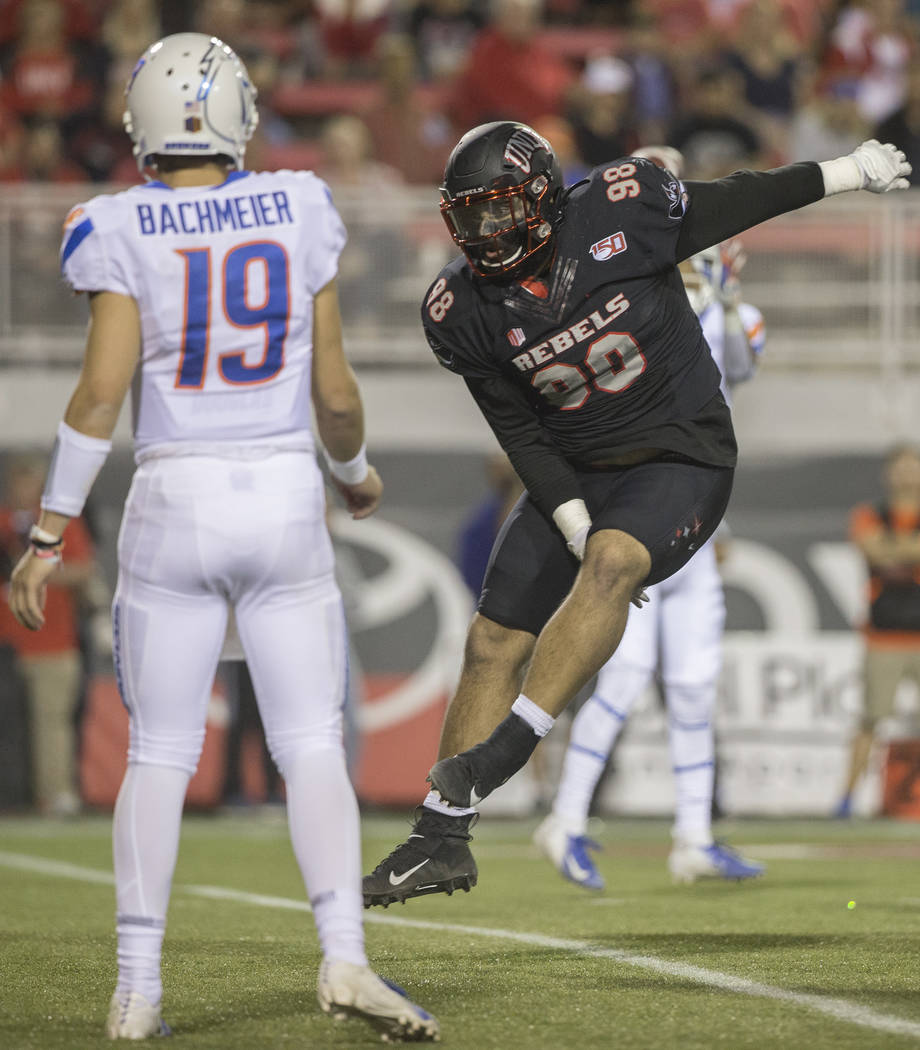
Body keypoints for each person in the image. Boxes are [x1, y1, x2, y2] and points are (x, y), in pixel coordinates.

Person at [6, 33, 438, 1043]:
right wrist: (353, 476)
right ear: (236, 113)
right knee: (311, 744)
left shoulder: (116, 221)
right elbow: (334, 393)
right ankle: (343, 956)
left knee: (159, 752)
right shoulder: (297, 204)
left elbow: (102, 391)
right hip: (284, 492)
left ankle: (138, 987)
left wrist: (47, 530)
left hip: (175, 499)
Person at [361, 119, 910, 908]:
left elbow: (741, 199)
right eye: (469, 215)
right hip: (578, 470)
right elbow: (518, 428)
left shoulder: (623, 211)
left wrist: (847, 171)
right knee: (490, 639)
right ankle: (438, 838)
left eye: (497, 210)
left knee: (614, 562)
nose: (482, 231)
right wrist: (571, 515)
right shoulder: (462, 310)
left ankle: (504, 754)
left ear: (544, 201)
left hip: (679, 456)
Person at [533, 146, 766, 887]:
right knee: (625, 674)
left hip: (696, 508)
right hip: (638, 502)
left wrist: (722, 298)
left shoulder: (723, 302)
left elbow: (743, 361)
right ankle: (565, 818)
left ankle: (693, 835)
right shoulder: (620, 292)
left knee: (695, 683)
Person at [0, 452, 95, 816]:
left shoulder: (58, 524)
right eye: (16, 483)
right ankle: (16, 795)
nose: (21, 490)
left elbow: (84, 570)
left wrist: (37, 571)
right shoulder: (6, 523)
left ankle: (55, 795)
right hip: (9, 643)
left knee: (51, 723)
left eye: (27, 482)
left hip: (52, 641)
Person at [836, 444, 920, 817]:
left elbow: (886, 552)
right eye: (899, 467)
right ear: (889, 473)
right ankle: (846, 801)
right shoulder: (870, 514)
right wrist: (904, 549)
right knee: (870, 720)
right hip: (884, 638)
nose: (905, 474)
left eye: (911, 467)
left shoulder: (877, 520)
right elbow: (874, 552)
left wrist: (893, 548)